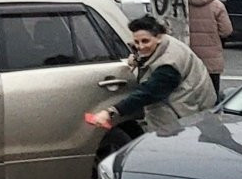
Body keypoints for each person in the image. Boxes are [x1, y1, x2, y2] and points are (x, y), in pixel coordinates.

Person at [87, 15, 217, 131]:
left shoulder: (169, 64)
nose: (141, 46)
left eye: (145, 41)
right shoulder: (166, 44)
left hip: (181, 119)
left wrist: (110, 112)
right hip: (189, 113)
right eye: (137, 42)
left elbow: (148, 92)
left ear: (158, 37)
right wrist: (138, 58)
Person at [186, 0, 233, 95]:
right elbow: (226, 30)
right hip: (212, 57)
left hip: (189, 57)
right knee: (212, 94)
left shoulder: (182, 3)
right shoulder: (216, 5)